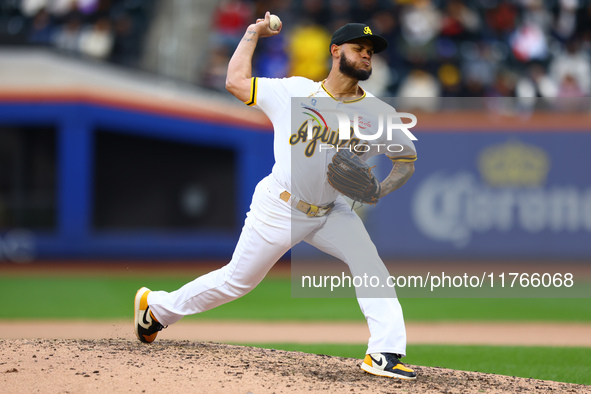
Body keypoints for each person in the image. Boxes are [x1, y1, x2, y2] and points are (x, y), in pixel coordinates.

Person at [134, 13, 418, 381]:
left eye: (370, 51)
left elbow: (406, 160)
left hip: (332, 211)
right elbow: (236, 82)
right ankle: (157, 308)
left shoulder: (378, 113)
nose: (367, 55)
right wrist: (252, 33)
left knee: (370, 265)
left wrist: (381, 189)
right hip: (281, 206)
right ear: (335, 52)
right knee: (237, 282)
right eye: (358, 48)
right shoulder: (296, 92)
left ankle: (384, 353)